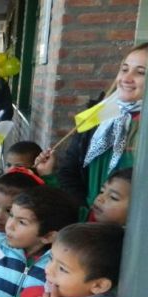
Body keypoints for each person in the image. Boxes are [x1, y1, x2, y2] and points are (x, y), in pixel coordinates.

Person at [57, 43, 147, 208]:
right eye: (124, 69)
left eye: (141, 72)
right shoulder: (100, 114)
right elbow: (70, 171)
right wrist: (84, 211)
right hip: (91, 223)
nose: (126, 79)